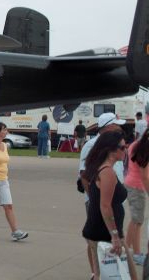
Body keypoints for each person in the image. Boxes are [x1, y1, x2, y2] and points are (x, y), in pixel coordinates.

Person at [82, 130, 137, 280]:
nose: (126, 150)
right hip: (105, 235)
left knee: (104, 275)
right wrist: (114, 236)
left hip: (99, 232)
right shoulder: (107, 172)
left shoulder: (98, 167)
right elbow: (105, 206)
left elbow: (86, 183)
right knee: (126, 275)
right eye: (122, 147)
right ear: (110, 150)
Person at [79, 112, 126, 279]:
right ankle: (95, 273)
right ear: (108, 127)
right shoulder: (92, 145)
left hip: (110, 205)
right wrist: (95, 198)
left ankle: (97, 273)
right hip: (101, 207)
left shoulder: (114, 153)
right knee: (99, 250)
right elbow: (84, 175)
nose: (120, 128)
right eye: (116, 124)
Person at [124, 128, 149, 265]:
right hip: (137, 187)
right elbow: (145, 177)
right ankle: (137, 254)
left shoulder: (135, 145)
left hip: (130, 183)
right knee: (137, 221)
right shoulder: (144, 150)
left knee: (135, 220)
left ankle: (126, 251)